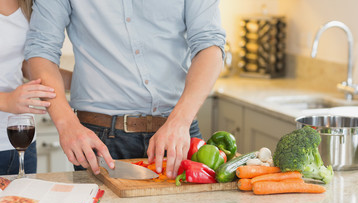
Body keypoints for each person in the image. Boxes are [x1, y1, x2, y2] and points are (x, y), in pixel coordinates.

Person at [25, 1, 226, 179]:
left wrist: (180, 121)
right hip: (100, 139)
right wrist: (66, 123)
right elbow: (41, 52)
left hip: (179, 132)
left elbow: (210, 46)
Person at [0, 0, 72, 175]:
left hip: (19, 138)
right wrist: (5, 100)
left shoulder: (29, 4)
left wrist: (77, 82)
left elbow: (23, 63)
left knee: (24, 200)